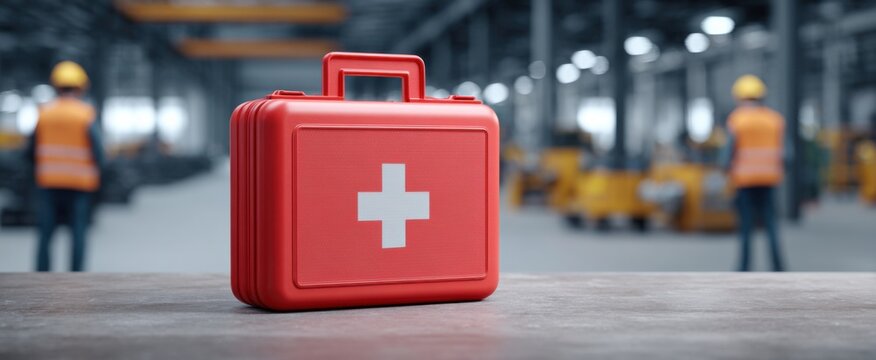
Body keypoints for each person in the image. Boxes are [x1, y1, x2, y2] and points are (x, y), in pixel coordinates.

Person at [25, 61, 104, 272]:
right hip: (80, 184)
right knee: (78, 232)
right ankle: (76, 277)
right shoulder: (86, 114)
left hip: (49, 183)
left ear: (56, 86)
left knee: (45, 233)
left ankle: (41, 277)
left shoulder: (44, 113)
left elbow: (30, 150)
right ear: (81, 87)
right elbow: (98, 152)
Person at [721, 74, 786, 272]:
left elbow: (728, 152)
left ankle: (743, 268)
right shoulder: (775, 119)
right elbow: (786, 152)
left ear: (740, 96)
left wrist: (725, 169)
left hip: (745, 180)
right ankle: (778, 268)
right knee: (771, 225)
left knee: (746, 226)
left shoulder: (737, 119)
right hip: (769, 179)